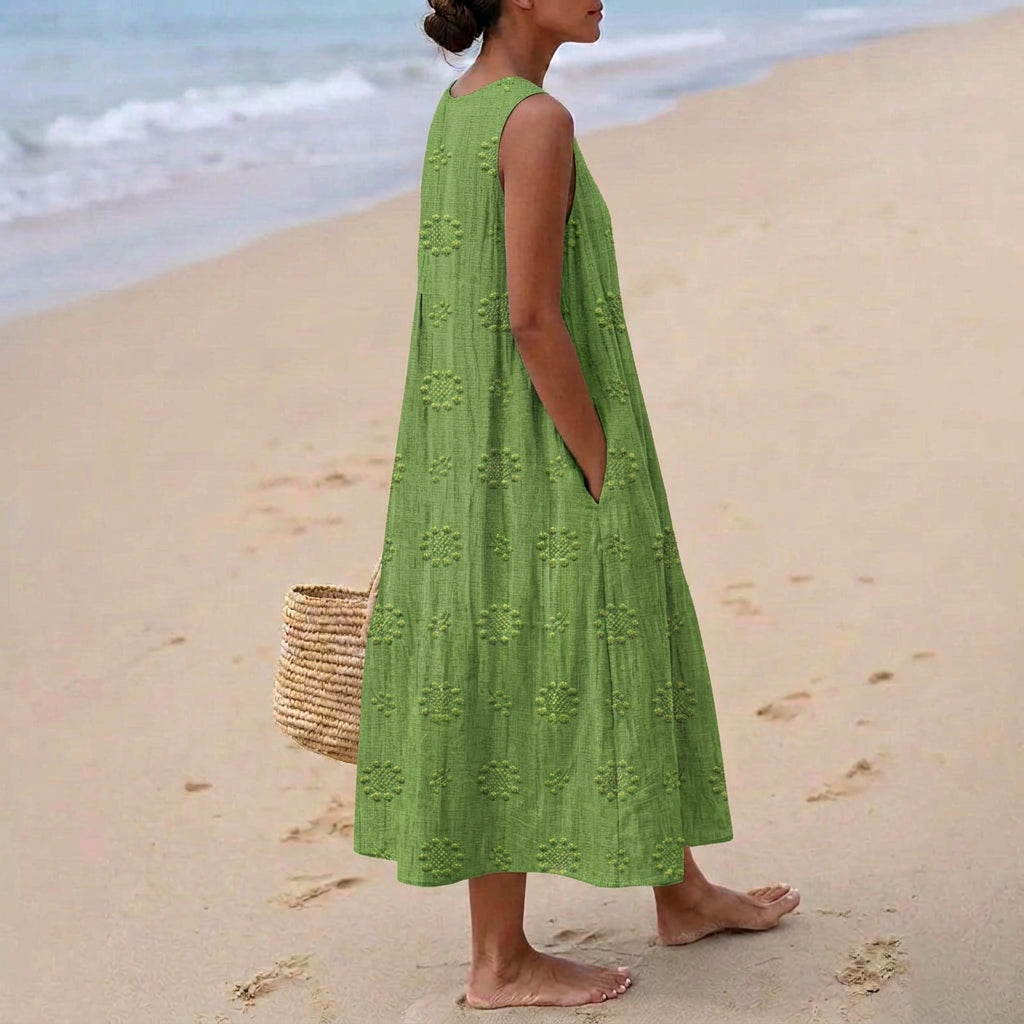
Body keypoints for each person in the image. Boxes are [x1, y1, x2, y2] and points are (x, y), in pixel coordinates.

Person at [352, 0, 800, 1008]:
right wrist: (597, 456)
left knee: (565, 646)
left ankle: (679, 890)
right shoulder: (534, 120)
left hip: (463, 442)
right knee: (556, 652)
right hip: (538, 435)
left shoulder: (463, 107)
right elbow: (529, 316)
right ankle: (500, 961)